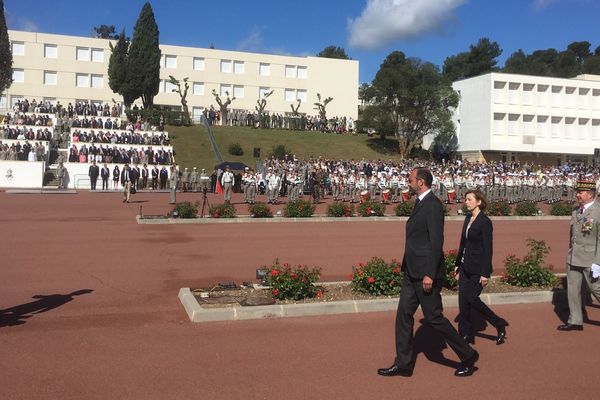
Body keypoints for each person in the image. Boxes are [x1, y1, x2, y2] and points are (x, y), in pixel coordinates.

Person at [378, 168, 479, 378]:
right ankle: (403, 364)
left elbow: (436, 242)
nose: (408, 182)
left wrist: (430, 274)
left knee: (434, 318)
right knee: (403, 316)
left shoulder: (433, 205)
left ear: (421, 182)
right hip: (411, 271)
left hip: (425, 273)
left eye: (411, 180)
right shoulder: (420, 202)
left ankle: (468, 355)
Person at [454, 189, 509, 345]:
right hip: (464, 266)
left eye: (470, 199)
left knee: (471, 298)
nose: (466, 202)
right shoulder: (467, 219)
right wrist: (457, 264)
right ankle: (465, 334)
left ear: (479, 202)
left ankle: (498, 323)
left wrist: (485, 273)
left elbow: (488, 249)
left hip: (478, 268)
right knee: (462, 302)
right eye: (466, 199)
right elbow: (462, 244)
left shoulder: (485, 222)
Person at [558, 179, 600, 331]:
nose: (577, 195)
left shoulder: (598, 211)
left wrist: (598, 262)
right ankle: (575, 320)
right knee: (573, 290)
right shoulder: (576, 211)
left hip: (591, 260)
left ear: (590, 195)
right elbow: (573, 236)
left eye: (580, 192)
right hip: (573, 257)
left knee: (596, 289)